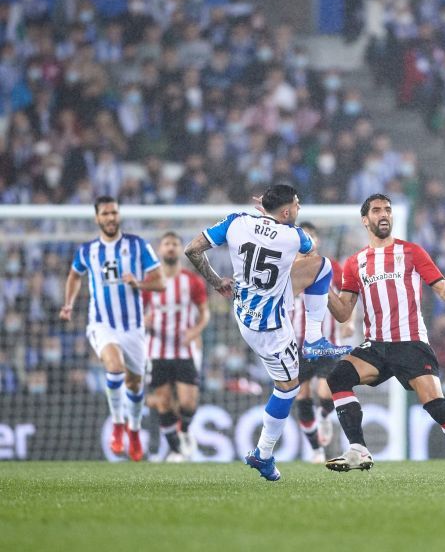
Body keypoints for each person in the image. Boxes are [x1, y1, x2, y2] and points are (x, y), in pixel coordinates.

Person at [324, 193, 445, 481]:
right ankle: (359, 449)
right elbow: (343, 313)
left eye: (388, 210)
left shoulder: (412, 252)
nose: (384, 214)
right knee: (338, 378)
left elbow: (442, 289)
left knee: (436, 407)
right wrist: (321, 289)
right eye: (377, 210)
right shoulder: (355, 263)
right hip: (376, 347)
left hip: (411, 343)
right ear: (365, 220)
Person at [185, 184, 325, 481]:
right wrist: (280, 221)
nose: (299, 209)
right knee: (289, 387)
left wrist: (215, 281)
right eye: (296, 206)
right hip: (270, 327)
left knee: (317, 269)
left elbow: (192, 249)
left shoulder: (237, 221)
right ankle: (262, 454)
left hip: (244, 310)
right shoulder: (294, 235)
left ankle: (263, 453)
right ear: (286, 211)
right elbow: (310, 248)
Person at [60, 196, 165, 461]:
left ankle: (133, 430)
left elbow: (160, 282)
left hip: (133, 327)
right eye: (105, 214)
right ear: (97, 218)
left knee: (135, 383)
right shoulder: (87, 251)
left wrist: (139, 283)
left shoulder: (137, 245)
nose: (110, 218)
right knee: (114, 366)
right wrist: (68, 304)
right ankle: (118, 425)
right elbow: (74, 275)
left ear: (119, 216)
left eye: (114, 213)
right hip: (102, 323)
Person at [143, 232, 210, 462]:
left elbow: (205, 313)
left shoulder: (191, 281)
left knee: (187, 402)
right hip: (157, 349)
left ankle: (183, 432)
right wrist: (144, 321)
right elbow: (138, 313)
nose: (170, 248)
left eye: (174, 244)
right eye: (166, 244)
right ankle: (176, 451)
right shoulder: (150, 281)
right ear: (160, 250)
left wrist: (195, 331)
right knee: (163, 402)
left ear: (180, 249)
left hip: (184, 349)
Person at [291, 221, 354, 463]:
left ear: (316, 241)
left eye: (312, 237)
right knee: (302, 398)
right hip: (297, 345)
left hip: (327, 342)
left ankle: (325, 416)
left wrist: (348, 322)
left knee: (324, 391)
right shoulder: (288, 268)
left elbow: (347, 297)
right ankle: (316, 449)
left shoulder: (331, 267)